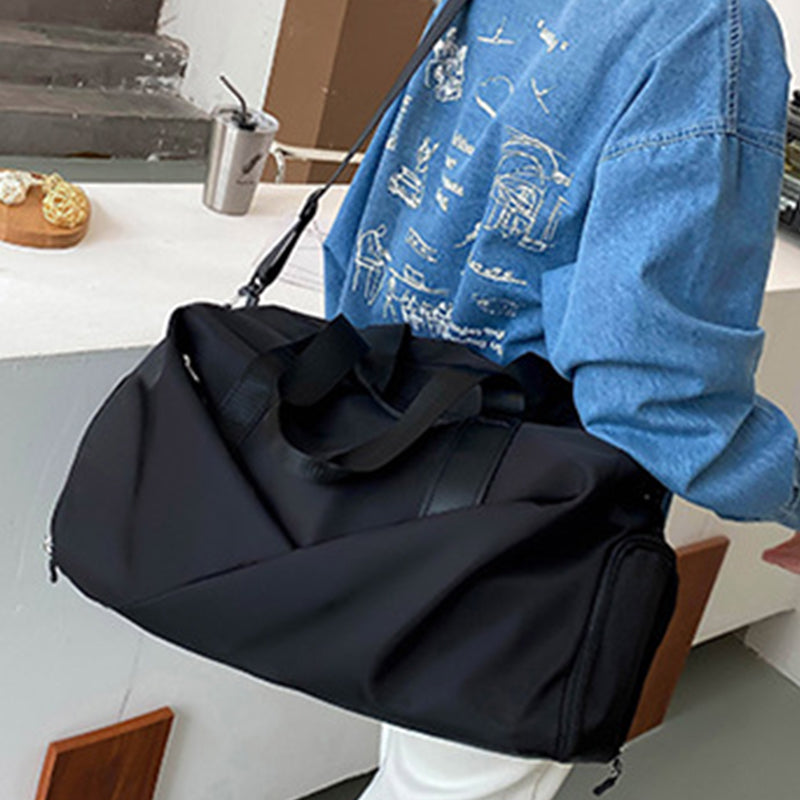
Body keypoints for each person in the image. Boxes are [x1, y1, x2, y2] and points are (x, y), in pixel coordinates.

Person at [321, 0, 800, 797]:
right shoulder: (711, 27)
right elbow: (652, 393)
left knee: (419, 772)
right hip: (527, 519)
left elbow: (372, 228)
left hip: (395, 445)